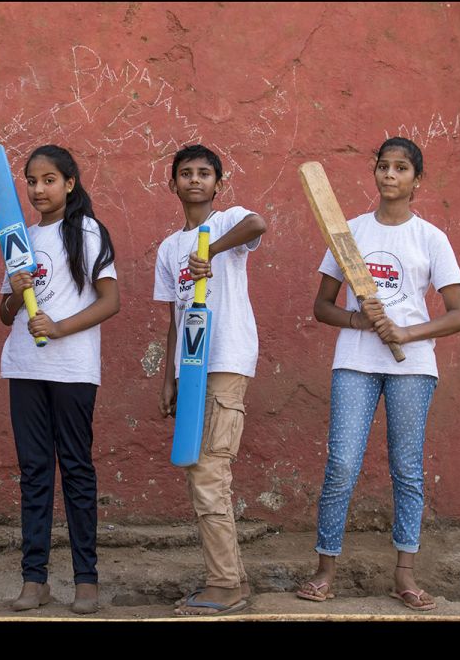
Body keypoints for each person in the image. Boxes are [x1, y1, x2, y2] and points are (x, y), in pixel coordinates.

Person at [296, 137, 460, 611]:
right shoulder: (348, 233)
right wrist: (358, 320)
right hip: (355, 361)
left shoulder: (430, 238)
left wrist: (405, 332)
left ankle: (405, 575)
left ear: (417, 179)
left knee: (406, 469)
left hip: (412, 367)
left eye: (401, 168)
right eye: (383, 167)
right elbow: (322, 307)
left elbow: (459, 315)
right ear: (374, 173)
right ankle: (325, 569)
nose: (390, 175)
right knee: (342, 464)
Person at [0, 145, 120, 615]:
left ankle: (85, 580)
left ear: (70, 183)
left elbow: (111, 301)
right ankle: (35, 580)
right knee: (33, 473)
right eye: (31, 181)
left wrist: (60, 327)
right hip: (25, 367)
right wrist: (15, 293)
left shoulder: (88, 233)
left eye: (49, 180)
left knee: (75, 468)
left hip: (72, 370)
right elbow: (4, 313)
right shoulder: (20, 238)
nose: (38, 190)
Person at [154, 144, 267, 616]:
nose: (195, 180)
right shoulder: (167, 248)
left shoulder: (225, 224)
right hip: (192, 367)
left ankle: (223, 585)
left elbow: (258, 223)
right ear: (173, 183)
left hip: (226, 361)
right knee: (200, 472)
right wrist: (169, 377)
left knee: (209, 471)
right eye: (186, 173)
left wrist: (212, 250)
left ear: (218, 183)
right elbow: (174, 318)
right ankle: (232, 578)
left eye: (204, 174)